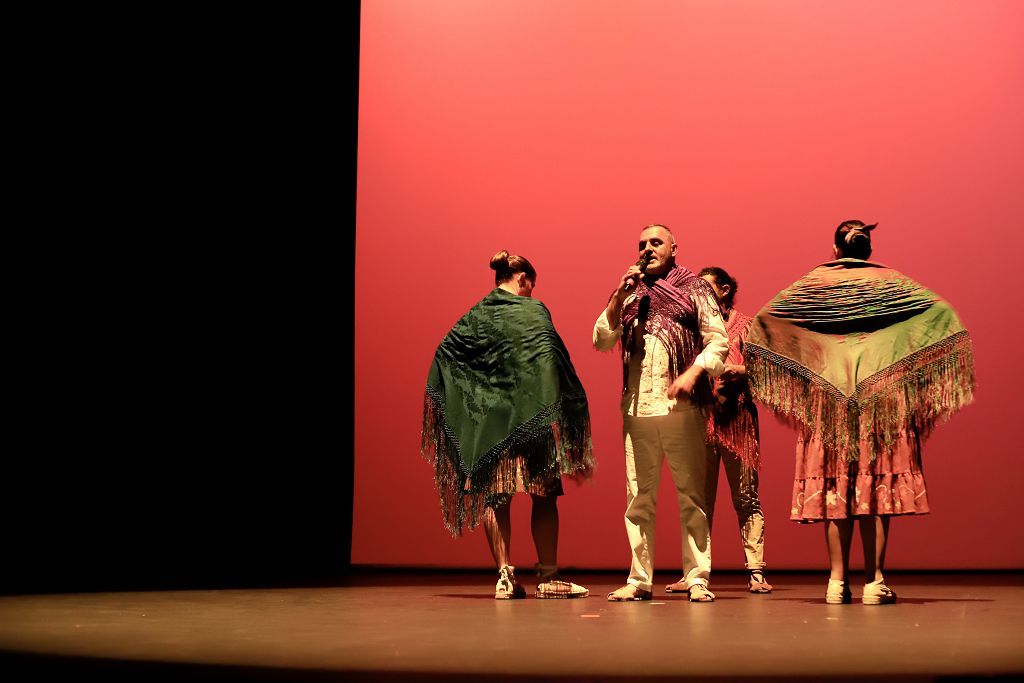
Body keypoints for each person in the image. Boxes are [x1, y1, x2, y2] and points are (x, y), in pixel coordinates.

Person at [744, 221, 975, 605]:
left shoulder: (814, 284)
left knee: (836, 489)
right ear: (868, 249)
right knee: (875, 488)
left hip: (828, 404)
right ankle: (875, 580)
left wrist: (818, 356)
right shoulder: (893, 285)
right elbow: (942, 314)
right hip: (879, 400)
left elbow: (766, 322)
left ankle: (836, 581)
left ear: (835, 249)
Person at [422, 250, 593, 599]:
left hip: (493, 423)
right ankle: (549, 577)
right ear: (524, 279)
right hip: (532, 419)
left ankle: (504, 576)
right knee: (543, 497)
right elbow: (551, 359)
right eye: (532, 285)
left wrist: (476, 398)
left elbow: (447, 354)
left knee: (496, 497)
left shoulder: (477, 315)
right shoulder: (534, 309)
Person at [593, 224, 729, 603]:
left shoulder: (694, 288)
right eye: (641, 244)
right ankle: (639, 580)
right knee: (638, 497)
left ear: (674, 248)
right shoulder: (631, 292)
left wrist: (693, 372)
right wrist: (617, 297)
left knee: (691, 495)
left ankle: (697, 576)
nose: (647, 248)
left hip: (681, 407)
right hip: (637, 407)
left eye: (656, 242)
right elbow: (601, 338)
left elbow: (718, 340)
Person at [665, 266, 772, 595]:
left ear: (725, 290)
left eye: (707, 287)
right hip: (699, 423)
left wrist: (741, 371)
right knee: (697, 501)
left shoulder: (747, 325)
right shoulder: (695, 328)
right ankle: (694, 572)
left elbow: (767, 371)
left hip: (737, 423)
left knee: (746, 499)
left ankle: (756, 571)